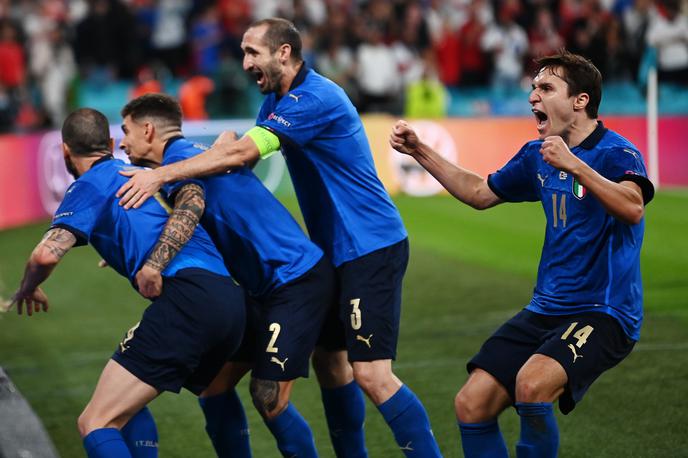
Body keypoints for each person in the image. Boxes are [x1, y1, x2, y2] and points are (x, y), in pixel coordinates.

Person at [116, 17, 442, 458]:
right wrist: (218, 155)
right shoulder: (274, 103)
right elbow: (235, 166)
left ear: (283, 53)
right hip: (333, 252)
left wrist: (162, 174)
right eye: (244, 52)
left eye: (253, 52)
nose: (246, 61)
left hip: (371, 244)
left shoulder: (314, 97)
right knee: (331, 365)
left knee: (372, 375)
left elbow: (243, 153)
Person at [390, 50, 654, 457]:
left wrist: (576, 166)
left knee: (531, 384)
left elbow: (632, 207)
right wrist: (419, 151)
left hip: (604, 312)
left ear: (580, 101)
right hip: (545, 308)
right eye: (533, 88)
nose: (533, 96)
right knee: (471, 404)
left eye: (546, 88)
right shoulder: (538, 155)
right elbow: (479, 193)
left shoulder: (617, 153)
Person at [11, 108, 246, 458]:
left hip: (188, 300)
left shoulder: (89, 183)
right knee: (188, 395)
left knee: (96, 422)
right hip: (230, 300)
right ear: (109, 143)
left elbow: (44, 255)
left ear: (63, 151)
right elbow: (172, 214)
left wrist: (28, 286)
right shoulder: (144, 174)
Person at [119, 92, 336, 458]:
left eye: (125, 131)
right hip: (264, 288)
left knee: (268, 397)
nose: (121, 142)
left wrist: (154, 264)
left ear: (148, 129)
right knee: (214, 388)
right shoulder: (194, 154)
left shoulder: (180, 161)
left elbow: (192, 205)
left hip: (295, 280)